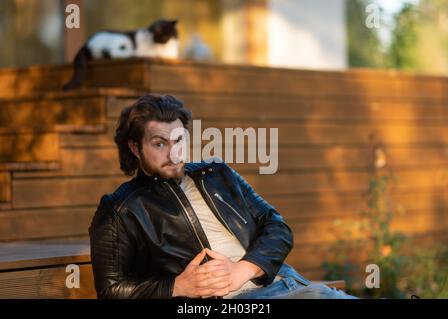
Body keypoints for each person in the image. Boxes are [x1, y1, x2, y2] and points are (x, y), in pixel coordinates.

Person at [89, 94, 357, 299]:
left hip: (287, 284)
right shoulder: (120, 209)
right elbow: (111, 290)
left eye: (179, 140)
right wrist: (177, 286)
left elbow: (277, 226)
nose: (174, 154)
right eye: (159, 144)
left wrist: (243, 269)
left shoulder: (218, 173)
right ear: (135, 148)